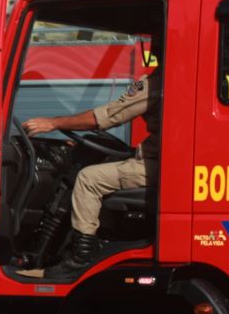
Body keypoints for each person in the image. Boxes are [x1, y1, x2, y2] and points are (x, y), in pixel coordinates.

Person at [18, 68, 160, 282]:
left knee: (88, 179)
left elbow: (108, 116)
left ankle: (80, 257)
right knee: (106, 165)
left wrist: (54, 123)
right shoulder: (184, 75)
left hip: (157, 164)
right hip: (167, 162)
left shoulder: (158, 81)